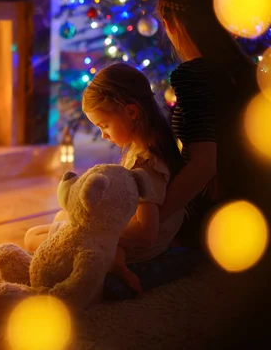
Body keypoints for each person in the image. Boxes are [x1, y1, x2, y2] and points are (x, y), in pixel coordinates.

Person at [25, 63, 185, 293]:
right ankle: (104, 263)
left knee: (33, 239)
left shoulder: (147, 164)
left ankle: (108, 265)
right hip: (119, 235)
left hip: (136, 248)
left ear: (131, 112)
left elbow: (146, 234)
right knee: (57, 220)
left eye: (104, 125)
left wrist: (93, 227)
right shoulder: (141, 149)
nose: (103, 134)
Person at [156, 0, 268, 250]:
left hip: (216, 215)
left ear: (172, 24)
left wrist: (157, 217)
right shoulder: (243, 70)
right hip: (256, 205)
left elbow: (203, 167)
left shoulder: (194, 75)